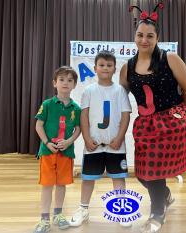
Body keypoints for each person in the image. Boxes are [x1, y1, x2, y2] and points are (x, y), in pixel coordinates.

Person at [120, 3, 186, 233]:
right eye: (140, 35)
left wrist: (175, 110)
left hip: (170, 123)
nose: (144, 40)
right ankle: (164, 195)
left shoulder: (170, 58)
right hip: (145, 125)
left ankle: (157, 213)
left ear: (157, 38)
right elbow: (120, 97)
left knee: (154, 172)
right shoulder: (128, 67)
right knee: (143, 174)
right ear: (134, 36)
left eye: (150, 36)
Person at [69, 51, 132, 228]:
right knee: (88, 178)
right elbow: (84, 116)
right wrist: (87, 139)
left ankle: (121, 209)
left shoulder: (120, 91)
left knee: (118, 178)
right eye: (102, 65)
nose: (105, 68)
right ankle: (83, 209)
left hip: (115, 145)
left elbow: (125, 116)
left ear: (114, 69)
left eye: (109, 65)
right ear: (95, 68)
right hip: (94, 144)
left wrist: (119, 138)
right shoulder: (89, 91)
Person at [33, 66, 81, 233]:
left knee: (61, 184)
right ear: (55, 83)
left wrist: (68, 142)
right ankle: (44, 219)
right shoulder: (47, 104)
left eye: (69, 80)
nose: (65, 83)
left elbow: (78, 129)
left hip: (65, 153)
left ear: (74, 84)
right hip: (47, 152)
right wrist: (47, 143)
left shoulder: (76, 108)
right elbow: (38, 125)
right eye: (61, 80)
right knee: (47, 185)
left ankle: (58, 215)